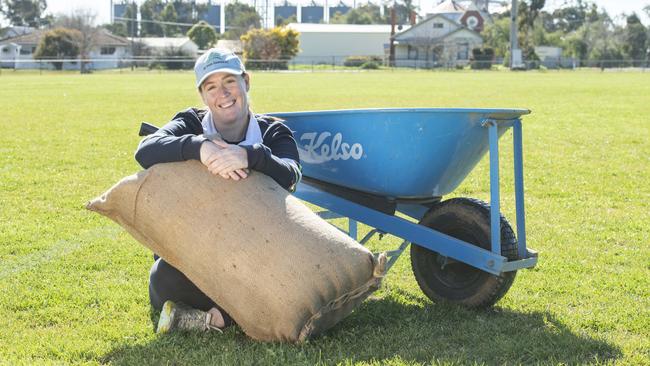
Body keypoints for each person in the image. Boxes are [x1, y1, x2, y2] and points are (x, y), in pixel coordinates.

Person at [134, 48, 301, 333]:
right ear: (202, 95)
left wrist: (250, 156)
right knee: (163, 278)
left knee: (290, 281)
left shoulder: (272, 132)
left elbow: (291, 173)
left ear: (246, 82)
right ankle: (229, 313)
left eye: (229, 82)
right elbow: (145, 150)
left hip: (254, 251)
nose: (222, 93)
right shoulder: (191, 122)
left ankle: (214, 319)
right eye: (211, 86)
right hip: (201, 249)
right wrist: (201, 148)